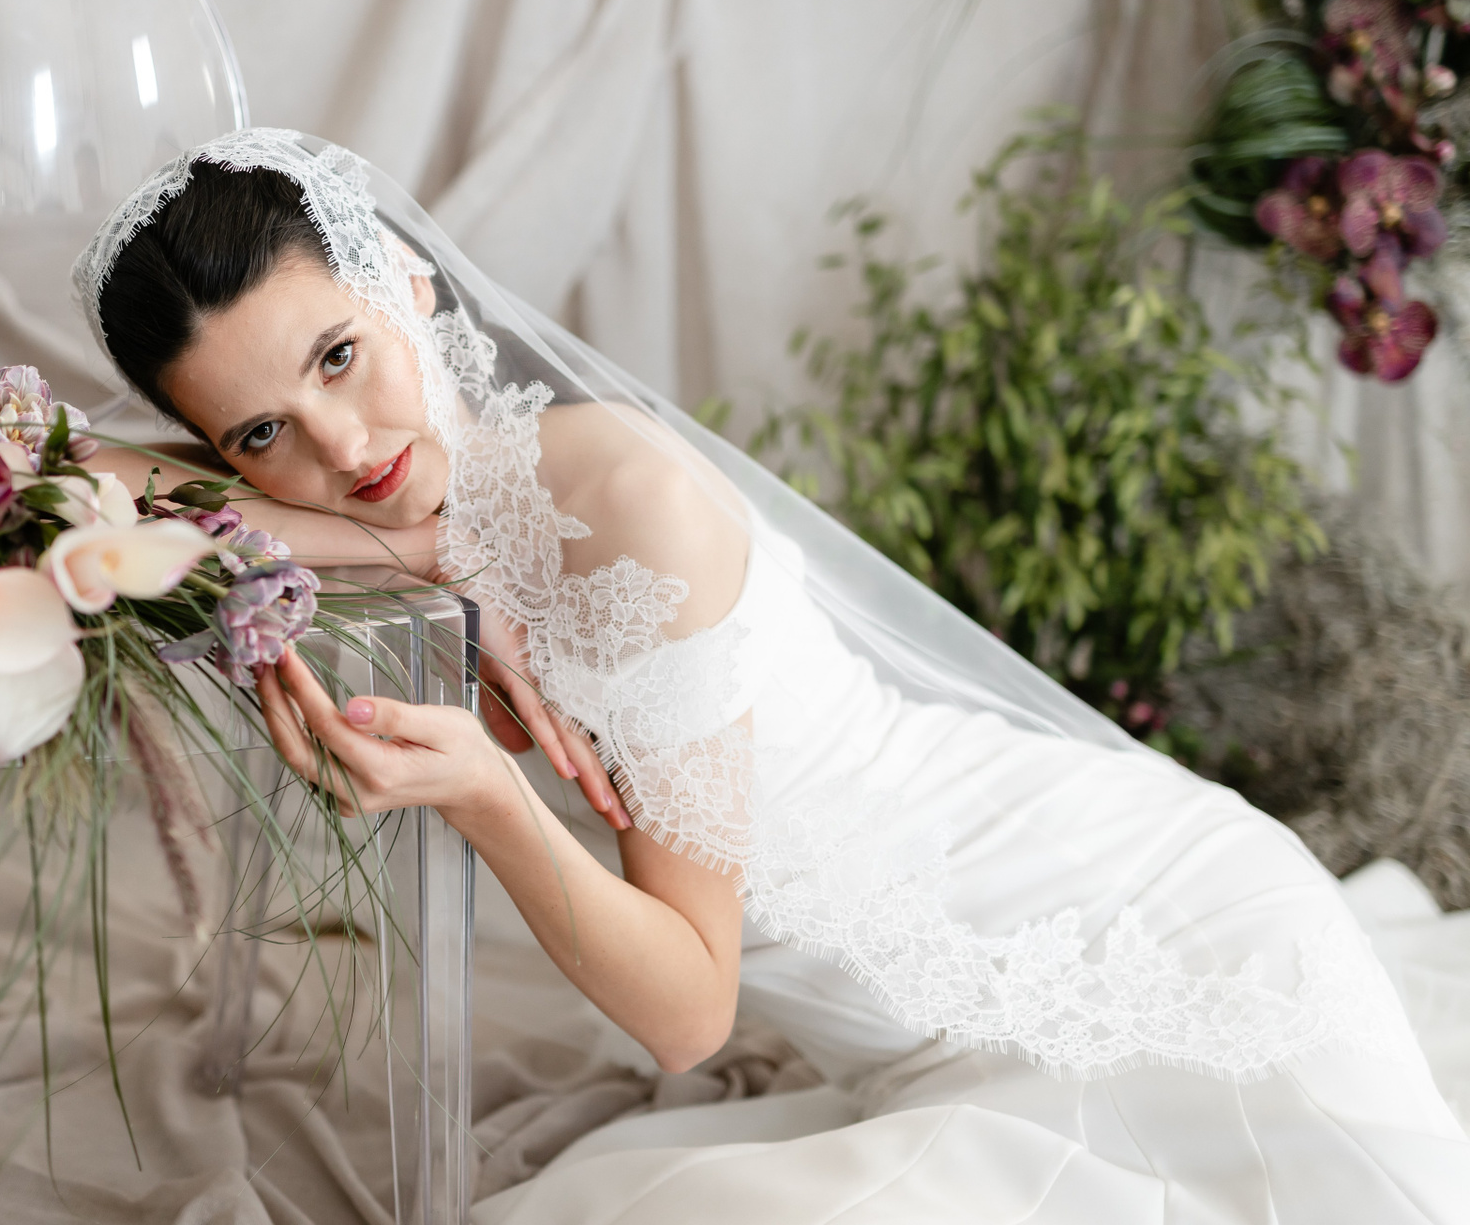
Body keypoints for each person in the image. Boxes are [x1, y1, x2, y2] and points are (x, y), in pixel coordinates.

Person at [75, 129, 1470, 1223]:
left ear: (407, 281)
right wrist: (409, 545)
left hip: (1133, 944)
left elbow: (690, 1014)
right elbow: (62, 465)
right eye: (260, 433)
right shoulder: (445, 498)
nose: (339, 446)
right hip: (919, 1024)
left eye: (341, 355)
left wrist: (488, 794)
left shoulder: (624, 503)